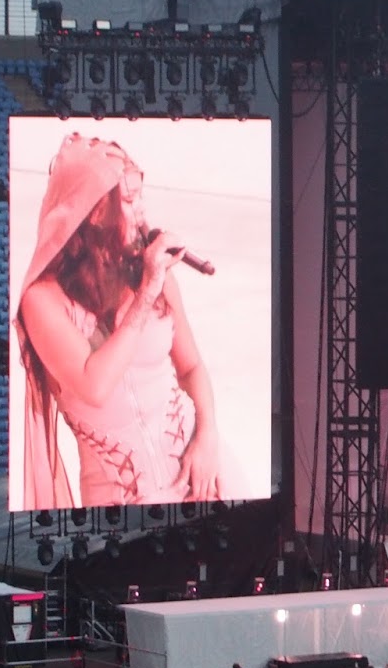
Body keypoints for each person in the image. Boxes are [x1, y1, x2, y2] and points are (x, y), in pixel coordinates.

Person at [15, 134, 230, 511]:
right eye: (129, 201)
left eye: (141, 197)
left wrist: (208, 436)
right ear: (94, 211)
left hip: (200, 474)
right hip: (120, 504)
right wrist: (147, 292)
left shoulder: (151, 275)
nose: (142, 212)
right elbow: (94, 385)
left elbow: (191, 366)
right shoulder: (43, 299)